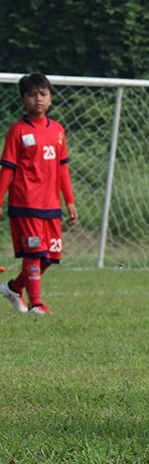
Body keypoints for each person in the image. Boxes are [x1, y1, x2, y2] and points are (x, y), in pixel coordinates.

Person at [0, 73, 78, 315]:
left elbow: (62, 169)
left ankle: (13, 287)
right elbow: (7, 169)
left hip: (51, 205)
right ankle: (36, 304)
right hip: (26, 203)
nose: (38, 99)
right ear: (23, 101)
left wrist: (70, 201)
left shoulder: (57, 131)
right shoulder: (17, 131)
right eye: (31, 95)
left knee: (49, 257)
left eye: (43, 94)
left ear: (51, 99)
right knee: (34, 253)